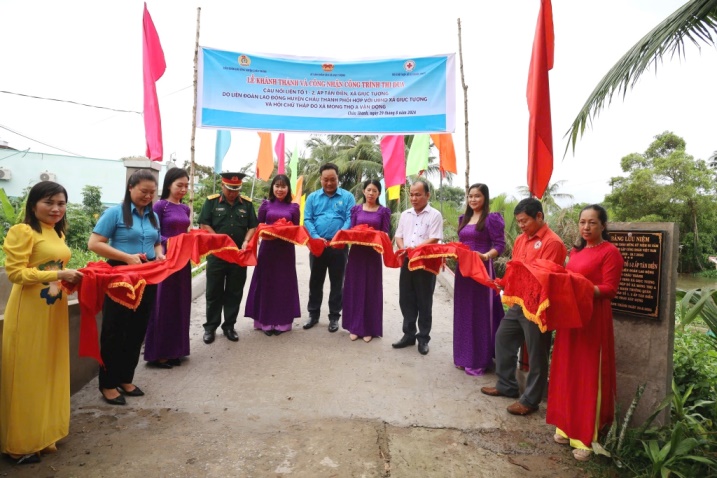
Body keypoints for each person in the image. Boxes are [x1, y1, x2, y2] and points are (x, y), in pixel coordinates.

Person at [0, 181, 83, 464]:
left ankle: (43, 434)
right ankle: (20, 444)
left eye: (61, 203)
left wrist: (69, 278)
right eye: (49, 202)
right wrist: (59, 277)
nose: (56, 209)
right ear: (33, 204)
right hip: (29, 315)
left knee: (48, 372)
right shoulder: (23, 231)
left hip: (53, 310)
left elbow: (54, 268)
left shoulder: (55, 231)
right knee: (27, 376)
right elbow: (15, 274)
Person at [547, 205, 624, 461]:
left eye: (592, 222)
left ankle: (585, 438)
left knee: (588, 375)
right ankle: (566, 427)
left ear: (603, 225)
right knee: (567, 370)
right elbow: (569, 277)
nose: (586, 227)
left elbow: (610, 289)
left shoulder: (610, 252)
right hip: (572, 318)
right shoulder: (576, 251)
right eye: (582, 222)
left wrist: (579, 287)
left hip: (593, 321)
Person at [481, 197, 567, 415]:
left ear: (539, 216)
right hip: (519, 301)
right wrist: (503, 282)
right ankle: (507, 385)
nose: (521, 225)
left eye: (524, 221)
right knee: (503, 338)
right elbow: (515, 269)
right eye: (518, 221)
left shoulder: (552, 242)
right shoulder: (520, 240)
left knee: (537, 353)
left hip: (538, 307)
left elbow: (545, 277)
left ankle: (530, 400)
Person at [88, 169, 165, 405]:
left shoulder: (153, 216)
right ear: (130, 187)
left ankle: (125, 378)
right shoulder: (114, 213)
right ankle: (108, 383)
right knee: (115, 329)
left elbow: (157, 241)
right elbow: (94, 243)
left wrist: (160, 255)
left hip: (147, 275)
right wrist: (125, 257)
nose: (147, 196)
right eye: (143, 191)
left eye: (152, 192)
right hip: (121, 275)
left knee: (137, 328)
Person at [198, 172, 258, 344]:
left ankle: (229, 326)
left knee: (234, 292)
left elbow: (253, 225)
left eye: (236, 189)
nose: (233, 193)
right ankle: (210, 328)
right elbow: (204, 223)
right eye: (230, 189)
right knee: (213, 292)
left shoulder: (246, 204)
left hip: (238, 255)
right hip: (217, 255)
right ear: (222, 186)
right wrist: (219, 240)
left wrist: (246, 241)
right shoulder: (211, 202)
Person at [453, 183, 505, 374]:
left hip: (482, 270)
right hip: (463, 271)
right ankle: (463, 356)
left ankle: (479, 359)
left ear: (485, 198)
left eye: (477, 196)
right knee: (463, 312)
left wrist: (486, 256)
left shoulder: (491, 219)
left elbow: (500, 245)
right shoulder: (464, 218)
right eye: (470, 196)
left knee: (480, 312)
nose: (473, 200)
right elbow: (461, 244)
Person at [144, 167, 191, 368]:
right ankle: (159, 353)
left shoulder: (185, 208)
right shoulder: (160, 206)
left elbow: (185, 231)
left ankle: (176, 351)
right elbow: (153, 233)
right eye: (179, 185)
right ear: (169, 185)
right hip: (165, 259)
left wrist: (189, 241)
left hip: (183, 261)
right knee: (163, 304)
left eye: (186, 186)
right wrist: (171, 242)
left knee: (180, 303)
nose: (183, 189)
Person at [244, 174, 300, 336]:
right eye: (277, 186)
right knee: (267, 283)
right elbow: (258, 226)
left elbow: (296, 229)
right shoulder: (265, 205)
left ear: (288, 189)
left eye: (283, 186)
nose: (280, 189)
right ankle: (265, 321)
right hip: (268, 250)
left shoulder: (294, 208)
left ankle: (282, 322)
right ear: (272, 188)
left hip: (285, 251)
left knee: (283, 284)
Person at [392, 180, 444, 355]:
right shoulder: (405, 214)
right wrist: (402, 248)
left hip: (425, 262)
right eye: (411, 194)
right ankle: (408, 335)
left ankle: (423, 338)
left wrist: (416, 250)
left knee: (424, 300)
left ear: (427, 195)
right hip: (407, 261)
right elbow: (398, 235)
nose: (414, 198)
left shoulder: (435, 215)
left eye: (418, 194)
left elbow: (435, 238)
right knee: (406, 299)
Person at [303, 163, 355, 332]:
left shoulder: (347, 197)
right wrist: (316, 237)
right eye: (326, 179)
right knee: (315, 280)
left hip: (338, 245)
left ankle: (334, 317)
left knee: (337, 281)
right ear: (321, 179)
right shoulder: (312, 197)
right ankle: (313, 314)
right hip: (317, 244)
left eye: (333, 179)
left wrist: (339, 236)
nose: (329, 183)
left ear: (337, 178)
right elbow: (307, 219)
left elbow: (350, 218)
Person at [341, 179, 391, 343]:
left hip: (372, 255)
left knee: (371, 290)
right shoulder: (356, 210)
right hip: (356, 254)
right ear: (363, 191)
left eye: (374, 191)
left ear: (379, 193)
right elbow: (352, 231)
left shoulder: (383, 212)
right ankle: (354, 326)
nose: (371, 193)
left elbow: (384, 234)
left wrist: (372, 236)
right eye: (368, 190)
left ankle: (369, 328)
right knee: (355, 288)